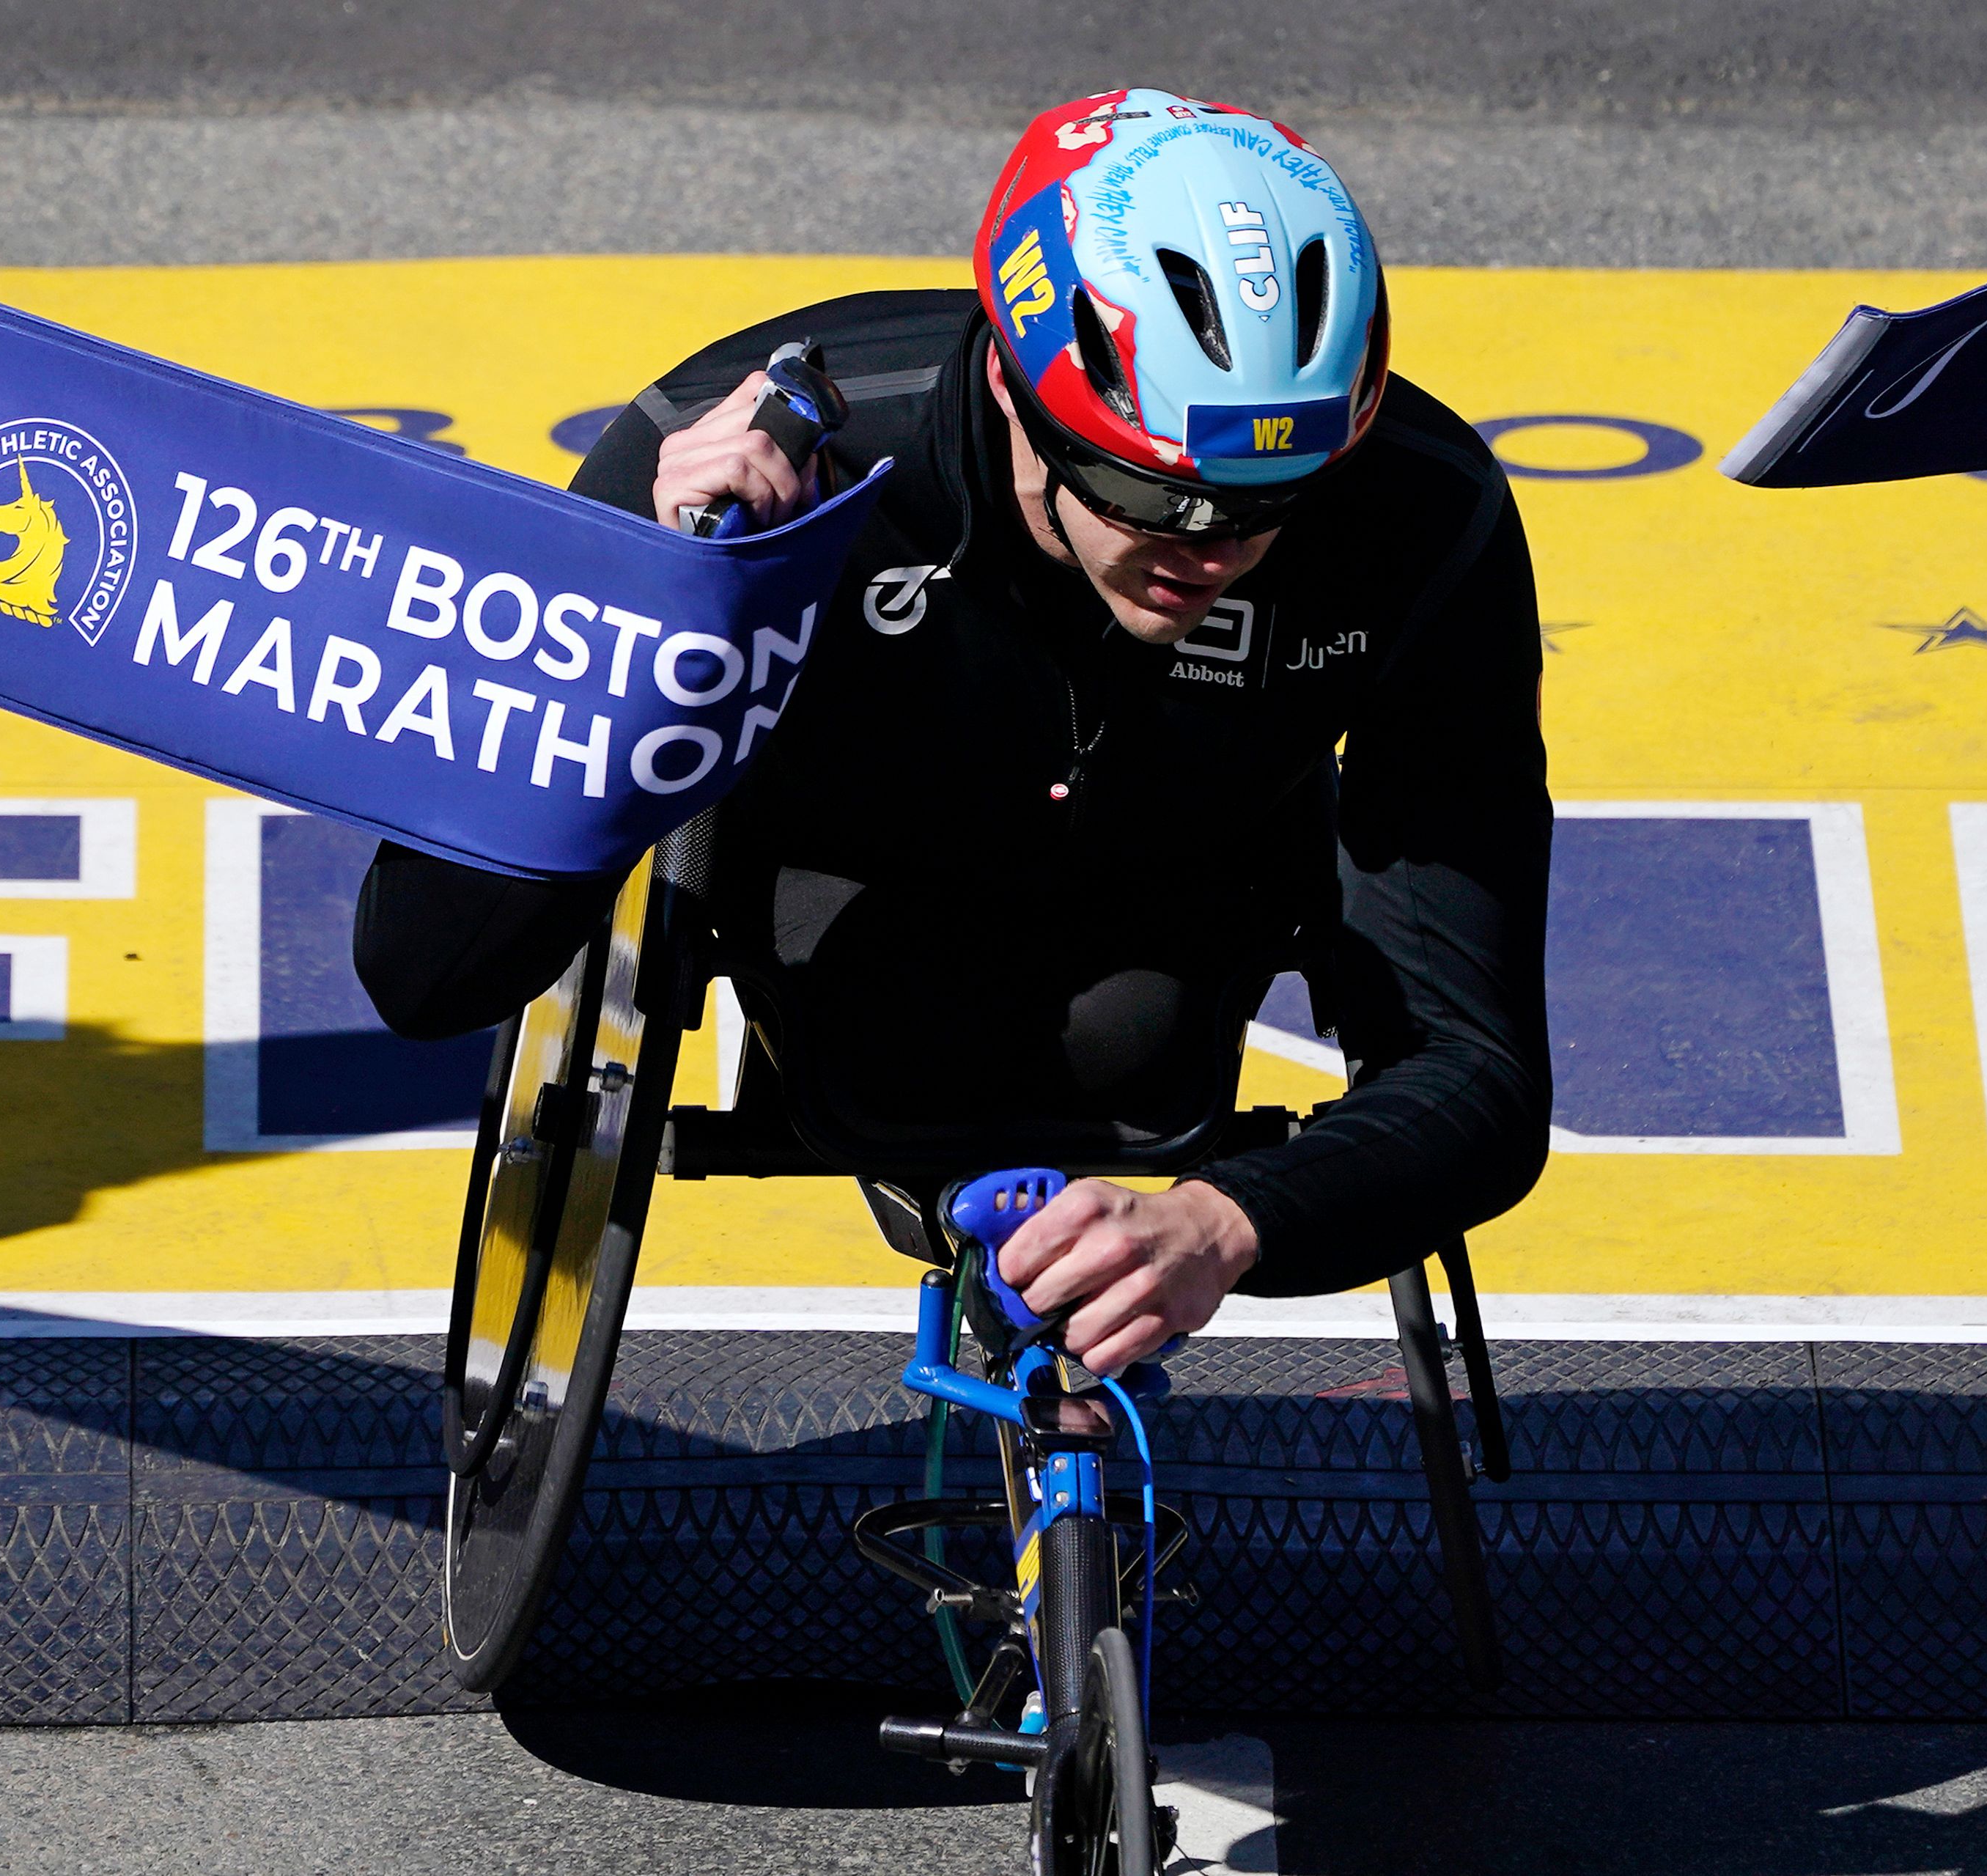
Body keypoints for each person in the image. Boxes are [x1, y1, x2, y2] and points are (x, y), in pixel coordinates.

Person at [355, 87, 1551, 1375]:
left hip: (1173, 899)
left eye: (1276, 501)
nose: (1212, 548)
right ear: (1013, 387)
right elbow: (425, 976)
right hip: (838, 891)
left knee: (1128, 1053)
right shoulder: (749, 440)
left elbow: (1477, 1073)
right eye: (1155, 489)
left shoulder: (1425, 517)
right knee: (906, 1045)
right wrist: (656, 608)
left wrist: (1220, 1224)